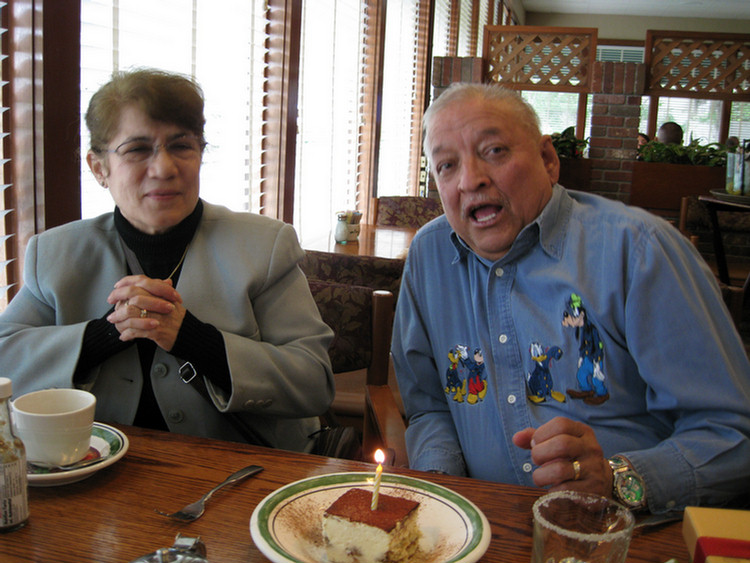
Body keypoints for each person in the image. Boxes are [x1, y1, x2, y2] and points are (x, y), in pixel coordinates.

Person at [392, 82, 750, 517]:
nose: (471, 179)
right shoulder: (429, 255)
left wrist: (617, 481)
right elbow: (429, 406)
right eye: (447, 165)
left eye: (495, 151)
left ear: (548, 159)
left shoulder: (638, 251)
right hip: (481, 528)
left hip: (624, 532)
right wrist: (442, 493)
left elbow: (733, 435)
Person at [0, 69, 335, 452]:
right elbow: (5, 357)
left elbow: (313, 382)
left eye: (181, 146)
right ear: (99, 168)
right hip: (96, 475)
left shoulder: (264, 246)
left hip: (241, 472)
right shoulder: (56, 254)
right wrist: (107, 333)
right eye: (138, 150)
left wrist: (193, 339)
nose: (164, 168)